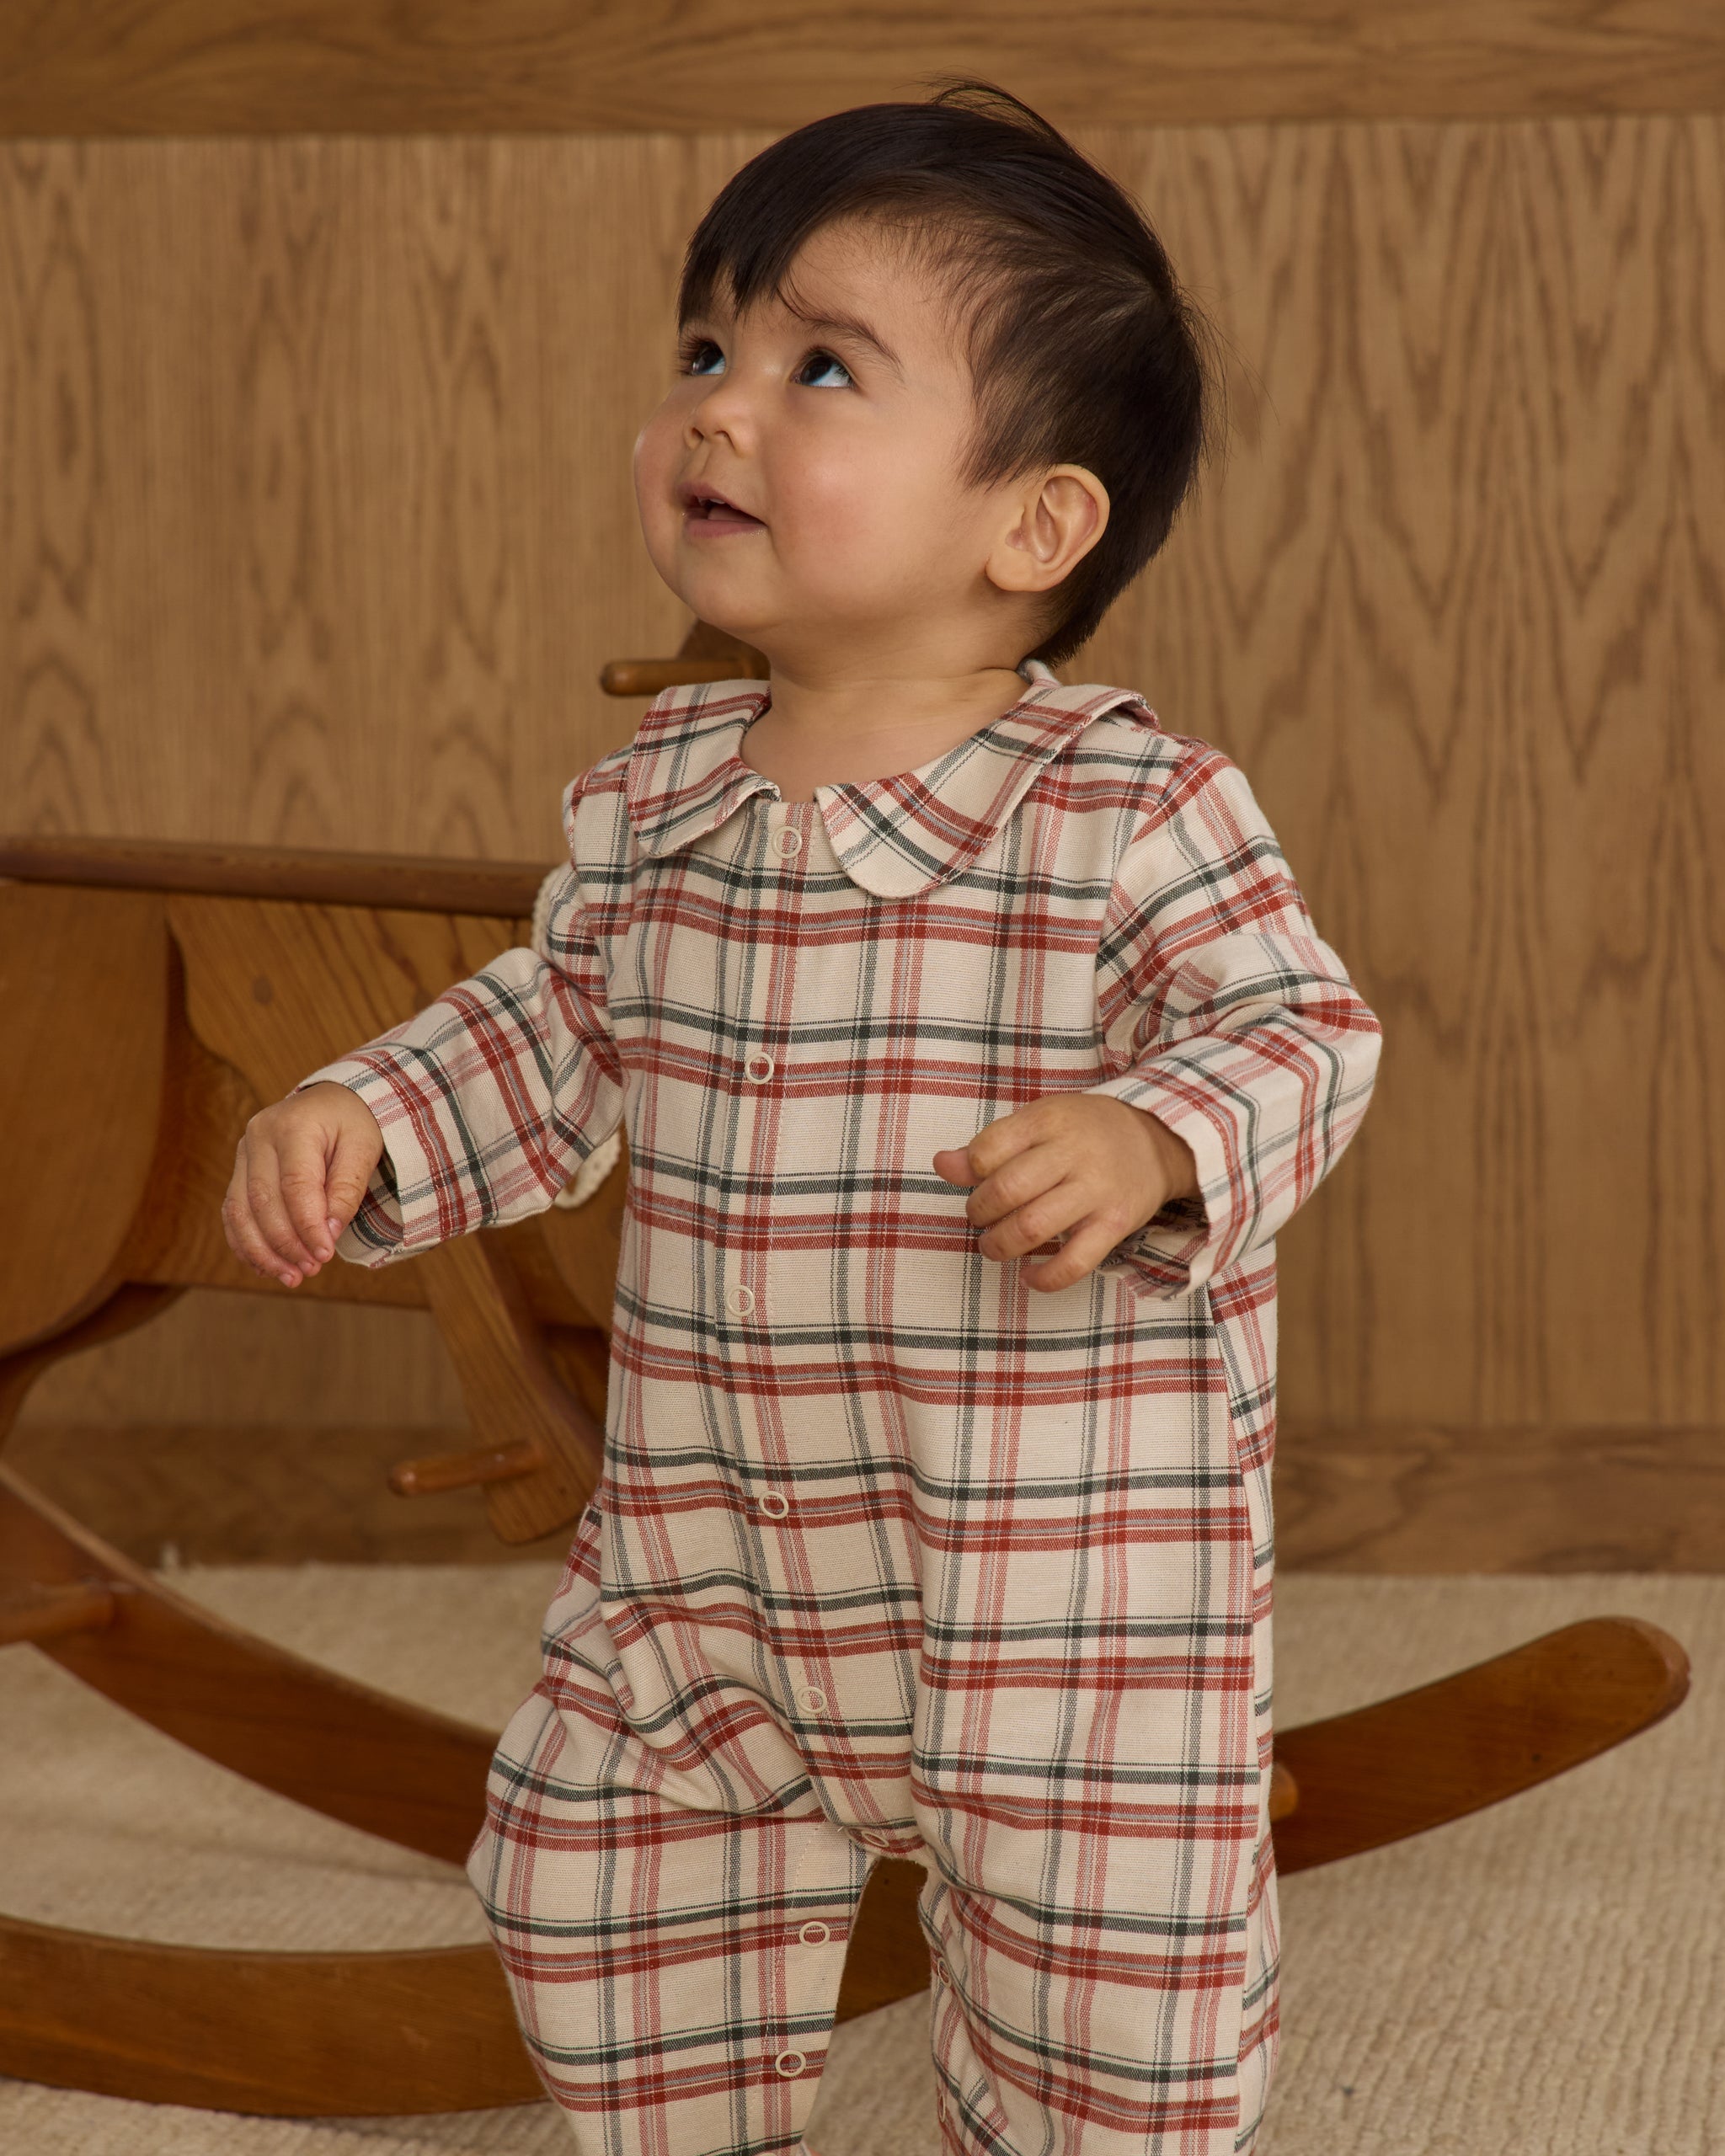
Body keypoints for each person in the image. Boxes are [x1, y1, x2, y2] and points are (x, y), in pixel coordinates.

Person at [222, 82, 1381, 2156]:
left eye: (819, 367)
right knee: (592, 1887)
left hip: (1059, 1596)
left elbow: (1299, 1026)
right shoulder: (653, 808)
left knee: (1105, 2010)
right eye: (704, 349)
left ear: (1032, 524)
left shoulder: (1125, 807)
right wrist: (365, 1114)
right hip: (707, 1564)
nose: (718, 410)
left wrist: (1152, 1136)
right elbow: (552, 1025)